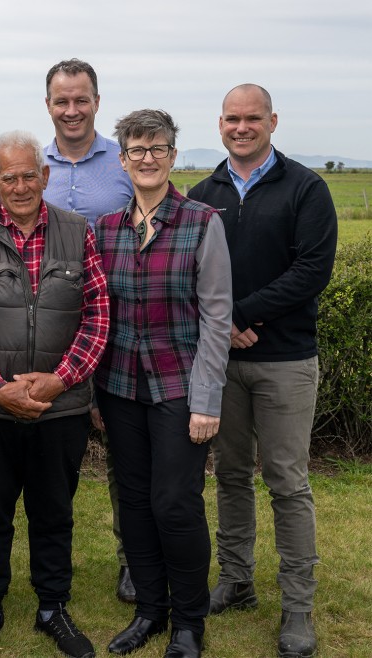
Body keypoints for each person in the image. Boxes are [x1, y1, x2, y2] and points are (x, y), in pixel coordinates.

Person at [188, 84, 337, 658]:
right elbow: (190, 277)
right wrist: (224, 327)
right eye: (232, 118)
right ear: (219, 123)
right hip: (221, 364)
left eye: (253, 118)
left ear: (272, 121)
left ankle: (297, 606)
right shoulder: (204, 194)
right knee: (228, 475)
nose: (241, 127)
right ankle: (237, 580)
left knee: (287, 483)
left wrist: (238, 314)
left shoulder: (306, 188)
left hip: (286, 362)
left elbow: (311, 271)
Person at [0, 130, 109, 658]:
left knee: (53, 510)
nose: (19, 186)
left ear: (45, 176)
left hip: (60, 407)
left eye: (28, 175)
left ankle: (52, 606)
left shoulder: (76, 230)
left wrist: (62, 379)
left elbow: (97, 317)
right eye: (7, 177)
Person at [93, 110, 232, 658]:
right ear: (122, 159)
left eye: (158, 148)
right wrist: (94, 394)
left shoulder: (202, 222)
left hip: (180, 387)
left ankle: (188, 623)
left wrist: (206, 401)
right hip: (121, 388)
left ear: (173, 156)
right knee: (134, 502)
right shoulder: (106, 230)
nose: (146, 158)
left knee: (174, 503)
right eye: (136, 149)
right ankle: (150, 609)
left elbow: (217, 318)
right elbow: (98, 314)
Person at [42, 57, 136, 604]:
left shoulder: (123, 163)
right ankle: (49, 565)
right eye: (62, 101)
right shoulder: (33, 165)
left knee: (126, 456)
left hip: (122, 332)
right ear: (48, 105)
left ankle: (133, 559)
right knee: (50, 458)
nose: (72, 110)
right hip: (53, 337)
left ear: (97, 102)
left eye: (81, 100)